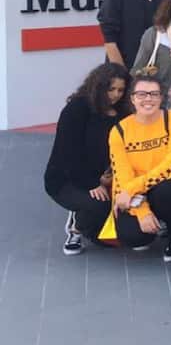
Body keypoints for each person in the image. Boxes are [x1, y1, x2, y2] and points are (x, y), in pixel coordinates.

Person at [46, 63, 131, 254]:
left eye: (120, 90)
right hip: (69, 178)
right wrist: (93, 183)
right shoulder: (77, 109)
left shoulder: (124, 111)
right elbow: (66, 154)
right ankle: (76, 227)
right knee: (99, 204)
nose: (116, 95)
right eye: (111, 89)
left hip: (109, 174)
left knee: (124, 208)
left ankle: (93, 225)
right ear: (99, 86)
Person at [108, 73, 171, 260]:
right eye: (142, 94)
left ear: (162, 98)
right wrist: (142, 211)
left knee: (166, 192)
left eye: (154, 94)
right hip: (136, 193)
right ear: (132, 99)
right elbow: (122, 175)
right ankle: (152, 222)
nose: (148, 99)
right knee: (132, 236)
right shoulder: (119, 131)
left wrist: (131, 190)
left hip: (165, 184)